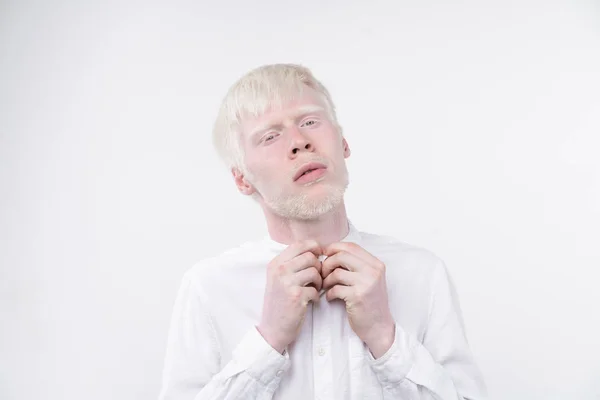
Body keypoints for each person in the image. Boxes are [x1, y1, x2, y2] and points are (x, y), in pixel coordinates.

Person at [158, 64, 487, 400]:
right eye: (270, 136)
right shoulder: (208, 288)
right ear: (242, 178)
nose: (300, 142)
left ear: (343, 142)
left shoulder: (422, 274)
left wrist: (384, 337)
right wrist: (268, 341)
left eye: (310, 122)